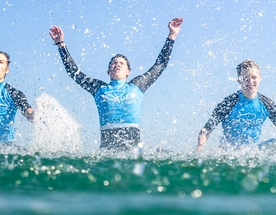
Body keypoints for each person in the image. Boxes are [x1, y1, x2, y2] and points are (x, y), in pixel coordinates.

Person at [49, 18, 183, 152]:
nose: (117, 64)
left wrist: (172, 35)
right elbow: (73, 72)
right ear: (108, 71)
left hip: (133, 151)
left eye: (121, 63)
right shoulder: (99, 88)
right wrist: (60, 44)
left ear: (128, 71)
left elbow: (160, 65)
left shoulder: (137, 86)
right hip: (107, 150)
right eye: (114, 63)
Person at [196, 59, 276, 151]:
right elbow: (206, 129)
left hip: (251, 152)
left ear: (260, 77)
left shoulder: (267, 104)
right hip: (227, 152)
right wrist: (200, 146)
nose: (250, 81)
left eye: (254, 77)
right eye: (246, 78)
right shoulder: (228, 103)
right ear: (239, 80)